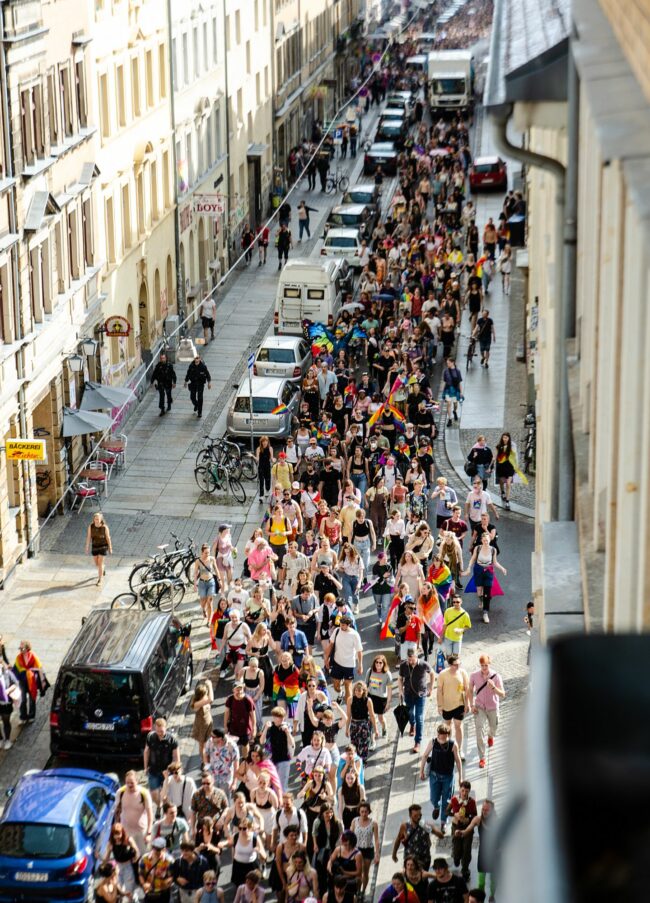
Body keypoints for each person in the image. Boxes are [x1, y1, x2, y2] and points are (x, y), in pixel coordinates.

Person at [419, 723, 463, 835]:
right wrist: (421, 771)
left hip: (448, 777)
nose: (441, 739)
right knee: (433, 798)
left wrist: (460, 778)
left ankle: (443, 822)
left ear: (448, 735)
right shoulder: (433, 742)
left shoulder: (453, 745)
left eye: (443, 737)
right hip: (434, 776)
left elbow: (458, 761)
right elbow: (424, 756)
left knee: (446, 801)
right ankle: (436, 806)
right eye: (439, 736)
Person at [468, 654, 506, 768]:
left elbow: (503, 694)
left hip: (493, 707)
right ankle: (482, 758)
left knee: (494, 727)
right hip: (480, 707)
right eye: (482, 665)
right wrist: (471, 705)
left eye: (486, 665)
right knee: (479, 732)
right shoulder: (474, 675)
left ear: (490, 664)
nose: (484, 668)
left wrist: (494, 687)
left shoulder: (496, 676)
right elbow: (470, 690)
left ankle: (490, 735)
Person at [456, 801, 498, 900]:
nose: (484, 811)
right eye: (483, 809)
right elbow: (468, 829)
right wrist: (462, 832)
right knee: (481, 882)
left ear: (492, 810)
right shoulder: (478, 819)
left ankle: (492, 896)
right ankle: (480, 899)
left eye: (487, 809)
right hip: (483, 855)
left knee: (493, 880)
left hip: (495, 856)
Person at [462, 532, 507, 624]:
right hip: (478, 570)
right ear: (481, 540)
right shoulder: (477, 548)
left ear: (490, 540)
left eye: (487, 540)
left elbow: (495, 562)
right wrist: (469, 567)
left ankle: (485, 612)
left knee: (487, 591)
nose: (486, 542)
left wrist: (502, 568)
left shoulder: (493, 550)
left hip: (489, 571)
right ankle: (481, 600)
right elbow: (473, 559)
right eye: (484, 540)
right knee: (479, 591)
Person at [397, 647, 433, 754]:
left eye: (412, 659)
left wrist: (430, 687)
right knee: (410, 714)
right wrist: (400, 690)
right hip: (408, 694)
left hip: (420, 695)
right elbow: (400, 678)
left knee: (419, 717)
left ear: (416, 656)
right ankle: (412, 724)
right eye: (409, 659)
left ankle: (418, 742)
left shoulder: (423, 664)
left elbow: (432, 673)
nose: (410, 661)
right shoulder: (404, 665)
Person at [324, 616, 363, 705]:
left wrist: (360, 665)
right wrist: (326, 658)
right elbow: (330, 645)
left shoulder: (354, 635)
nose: (342, 627)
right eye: (341, 624)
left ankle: (349, 708)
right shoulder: (337, 631)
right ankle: (340, 693)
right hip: (337, 663)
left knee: (348, 685)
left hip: (349, 665)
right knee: (336, 686)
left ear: (348, 625)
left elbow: (359, 651)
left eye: (344, 625)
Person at [436, 654, 470, 754]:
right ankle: (448, 746)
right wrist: (439, 706)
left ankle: (459, 749)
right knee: (447, 726)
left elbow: (467, 689)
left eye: (459, 664)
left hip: (459, 704)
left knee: (458, 726)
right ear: (449, 665)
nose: (458, 667)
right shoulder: (442, 674)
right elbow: (439, 691)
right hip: (446, 705)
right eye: (455, 665)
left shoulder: (463, 673)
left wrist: (467, 704)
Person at [144, 717, 180, 809]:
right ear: (155, 728)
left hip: (166, 772)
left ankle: (165, 808)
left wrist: (176, 772)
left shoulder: (172, 740)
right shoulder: (150, 737)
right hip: (153, 770)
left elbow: (176, 758)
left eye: (162, 731)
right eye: (158, 731)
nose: (160, 734)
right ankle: (159, 806)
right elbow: (146, 752)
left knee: (166, 794)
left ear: (166, 728)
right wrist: (145, 767)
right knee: (154, 794)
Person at [391, 804, 439, 871]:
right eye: (415, 816)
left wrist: (436, 833)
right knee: (410, 878)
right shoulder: (405, 826)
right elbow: (398, 839)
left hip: (424, 858)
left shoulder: (425, 825)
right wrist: (394, 853)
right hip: (410, 859)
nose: (418, 817)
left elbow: (436, 834)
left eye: (420, 815)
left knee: (423, 879)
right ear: (410, 816)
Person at [116, 771, 154, 854]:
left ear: (137, 781)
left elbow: (150, 814)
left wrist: (149, 833)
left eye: (132, 783)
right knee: (129, 854)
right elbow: (117, 811)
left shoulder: (144, 793)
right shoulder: (120, 792)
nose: (129, 785)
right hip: (126, 830)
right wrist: (117, 828)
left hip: (141, 831)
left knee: (144, 854)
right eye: (127, 783)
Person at [448, 780, 478, 882]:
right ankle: (456, 858)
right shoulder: (454, 800)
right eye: (463, 790)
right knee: (457, 848)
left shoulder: (472, 802)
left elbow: (475, 815)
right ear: (460, 790)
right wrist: (454, 814)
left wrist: (468, 819)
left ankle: (465, 869)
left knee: (466, 850)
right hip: (456, 827)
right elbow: (447, 811)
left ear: (469, 792)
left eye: (466, 791)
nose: (464, 793)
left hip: (468, 828)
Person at [13, 640, 45, 724]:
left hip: (32, 682)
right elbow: (15, 670)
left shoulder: (33, 657)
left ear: (27, 648)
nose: (20, 650)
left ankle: (31, 716)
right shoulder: (18, 658)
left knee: (32, 699)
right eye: (19, 648)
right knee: (22, 700)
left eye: (22, 648)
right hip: (22, 682)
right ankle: (23, 717)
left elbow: (40, 668)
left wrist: (42, 681)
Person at [204, 726, 240, 801]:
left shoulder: (231, 745)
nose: (211, 738)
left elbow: (236, 764)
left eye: (213, 737)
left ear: (220, 738)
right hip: (213, 775)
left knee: (225, 800)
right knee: (213, 799)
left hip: (226, 777)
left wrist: (234, 782)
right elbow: (205, 753)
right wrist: (207, 767)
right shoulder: (210, 742)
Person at [346, 681, 378, 763]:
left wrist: (376, 729)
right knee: (354, 746)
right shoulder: (350, 700)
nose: (357, 692)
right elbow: (349, 716)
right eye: (356, 690)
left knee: (364, 746)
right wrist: (347, 729)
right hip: (354, 725)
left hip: (364, 725)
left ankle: (362, 763)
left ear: (364, 691)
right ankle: (355, 764)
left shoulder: (368, 700)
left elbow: (372, 715)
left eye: (359, 690)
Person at [139, 836, 174, 902]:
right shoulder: (144, 858)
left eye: (158, 849)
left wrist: (168, 882)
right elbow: (141, 874)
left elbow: (172, 876)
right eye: (154, 848)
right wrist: (144, 884)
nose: (155, 851)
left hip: (163, 892)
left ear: (164, 849)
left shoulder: (169, 861)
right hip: (149, 891)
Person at [365, 654, 392, 737]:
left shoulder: (387, 674)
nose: (378, 664)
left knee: (380, 718)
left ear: (384, 664)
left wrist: (388, 702)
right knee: (371, 717)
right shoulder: (370, 671)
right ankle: (373, 734)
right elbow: (365, 685)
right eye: (376, 662)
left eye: (380, 663)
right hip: (371, 697)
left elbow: (389, 689)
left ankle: (384, 728)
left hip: (381, 699)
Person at [193, 544, 219, 625]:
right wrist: (194, 584)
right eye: (206, 553)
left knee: (210, 601)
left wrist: (220, 579)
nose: (207, 554)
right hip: (202, 583)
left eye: (208, 552)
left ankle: (209, 621)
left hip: (211, 582)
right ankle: (203, 609)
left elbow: (216, 569)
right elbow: (195, 573)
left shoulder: (212, 559)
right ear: (202, 552)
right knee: (203, 600)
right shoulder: (198, 561)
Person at [84, 511, 112, 585]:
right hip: (95, 546)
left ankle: (100, 579)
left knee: (100, 564)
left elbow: (108, 538)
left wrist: (110, 548)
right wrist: (87, 546)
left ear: (101, 519)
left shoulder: (104, 527)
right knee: (97, 564)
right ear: (93, 520)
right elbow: (88, 537)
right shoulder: (91, 526)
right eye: (95, 519)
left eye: (98, 519)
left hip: (103, 546)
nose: (97, 520)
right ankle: (103, 568)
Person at [190, 681, 214, 763]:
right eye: (205, 694)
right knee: (203, 745)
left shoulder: (204, 699)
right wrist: (210, 685)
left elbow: (209, 699)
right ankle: (204, 762)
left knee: (208, 743)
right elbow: (211, 699)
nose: (206, 695)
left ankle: (207, 758)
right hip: (201, 726)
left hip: (208, 725)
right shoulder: (197, 704)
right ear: (200, 695)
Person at [151, 352, 177, 416]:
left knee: (168, 394)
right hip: (161, 383)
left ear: (166, 358)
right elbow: (154, 374)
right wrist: (152, 382)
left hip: (168, 382)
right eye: (161, 358)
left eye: (164, 358)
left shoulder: (169, 365)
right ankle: (162, 409)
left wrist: (174, 382)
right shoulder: (158, 366)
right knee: (161, 396)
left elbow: (173, 374)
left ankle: (169, 404)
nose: (163, 359)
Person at [0, 663, 18, 749]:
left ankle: (7, 740)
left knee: (5, 721)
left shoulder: (7, 673)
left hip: (5, 703)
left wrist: (8, 690)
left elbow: (15, 683)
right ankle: (0, 739)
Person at [441, 358, 463, 428]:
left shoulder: (457, 371)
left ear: (452, 362)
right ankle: (450, 419)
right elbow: (444, 381)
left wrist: (461, 392)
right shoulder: (445, 371)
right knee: (449, 403)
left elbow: (459, 382)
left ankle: (454, 411)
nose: (447, 364)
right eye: (447, 363)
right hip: (448, 389)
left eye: (448, 363)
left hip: (455, 390)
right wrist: (443, 390)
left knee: (455, 404)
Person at [256, 435, 274, 503]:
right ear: (261, 442)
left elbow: (272, 458)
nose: (264, 442)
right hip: (261, 467)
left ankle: (267, 489)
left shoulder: (270, 448)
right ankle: (261, 496)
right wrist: (253, 457)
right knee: (261, 481)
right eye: (263, 441)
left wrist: (274, 460)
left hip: (267, 466)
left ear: (268, 441)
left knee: (268, 480)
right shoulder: (258, 449)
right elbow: (257, 459)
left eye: (266, 441)